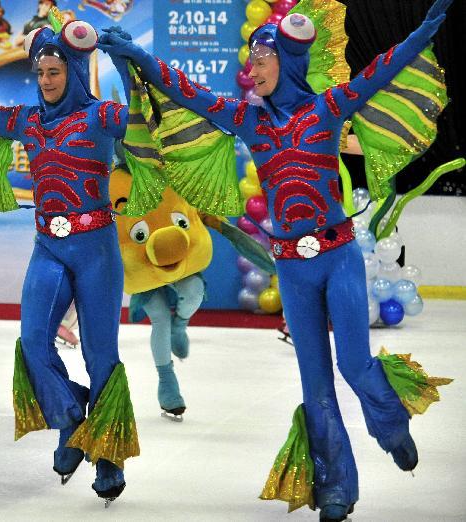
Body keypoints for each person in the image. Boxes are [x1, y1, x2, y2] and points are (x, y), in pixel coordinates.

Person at [98, 0, 454, 519]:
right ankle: (334, 486)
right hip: (291, 267)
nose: (251, 70)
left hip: (337, 257)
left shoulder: (328, 107)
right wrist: (135, 56)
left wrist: (421, 34)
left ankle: (391, 425)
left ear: (286, 60)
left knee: (354, 363)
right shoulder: (247, 120)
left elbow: (382, 72)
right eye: (250, 60)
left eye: (260, 59)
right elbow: (182, 90)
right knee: (315, 383)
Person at [0, 17, 140, 505]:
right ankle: (73, 419)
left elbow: (143, 116)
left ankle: (108, 459)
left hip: (97, 250)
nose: (45, 81)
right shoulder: (28, 120)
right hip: (48, 245)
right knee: (32, 343)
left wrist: (127, 61)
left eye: (54, 72)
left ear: (73, 68)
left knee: (100, 355)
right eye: (40, 72)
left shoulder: (102, 116)